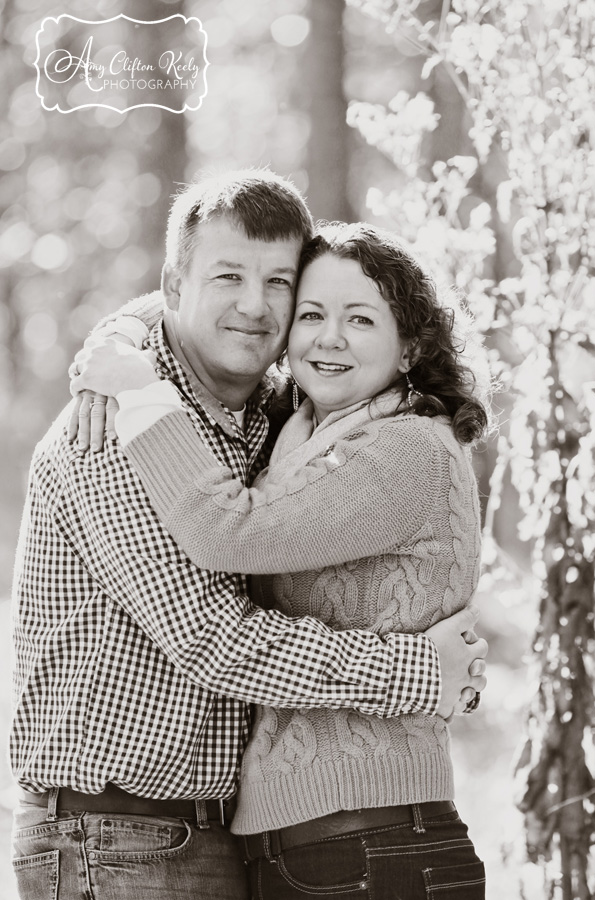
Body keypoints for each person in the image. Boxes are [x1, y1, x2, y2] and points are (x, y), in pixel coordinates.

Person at [11, 171, 487, 900]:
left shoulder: (282, 419)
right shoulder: (111, 431)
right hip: (112, 835)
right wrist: (419, 674)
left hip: (228, 833)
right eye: (227, 276)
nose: (254, 305)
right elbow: (213, 639)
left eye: (279, 284)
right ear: (176, 282)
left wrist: (126, 326)